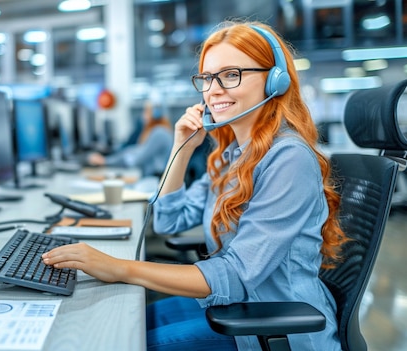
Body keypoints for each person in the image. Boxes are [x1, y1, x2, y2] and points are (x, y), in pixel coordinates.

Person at [42, 20, 346, 351]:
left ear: (275, 80)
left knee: (127, 341)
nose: (213, 90)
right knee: (119, 322)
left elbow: (237, 275)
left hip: (276, 329)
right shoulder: (231, 155)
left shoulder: (288, 158)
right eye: (207, 77)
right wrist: (182, 148)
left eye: (231, 75)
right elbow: (169, 221)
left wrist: (118, 268)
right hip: (236, 308)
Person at [86, 101, 173, 177]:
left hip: (156, 179)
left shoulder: (159, 133)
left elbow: (136, 159)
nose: (143, 115)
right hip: (151, 178)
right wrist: (107, 160)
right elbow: (134, 151)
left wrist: (106, 162)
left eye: (146, 111)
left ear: (156, 114)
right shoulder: (156, 132)